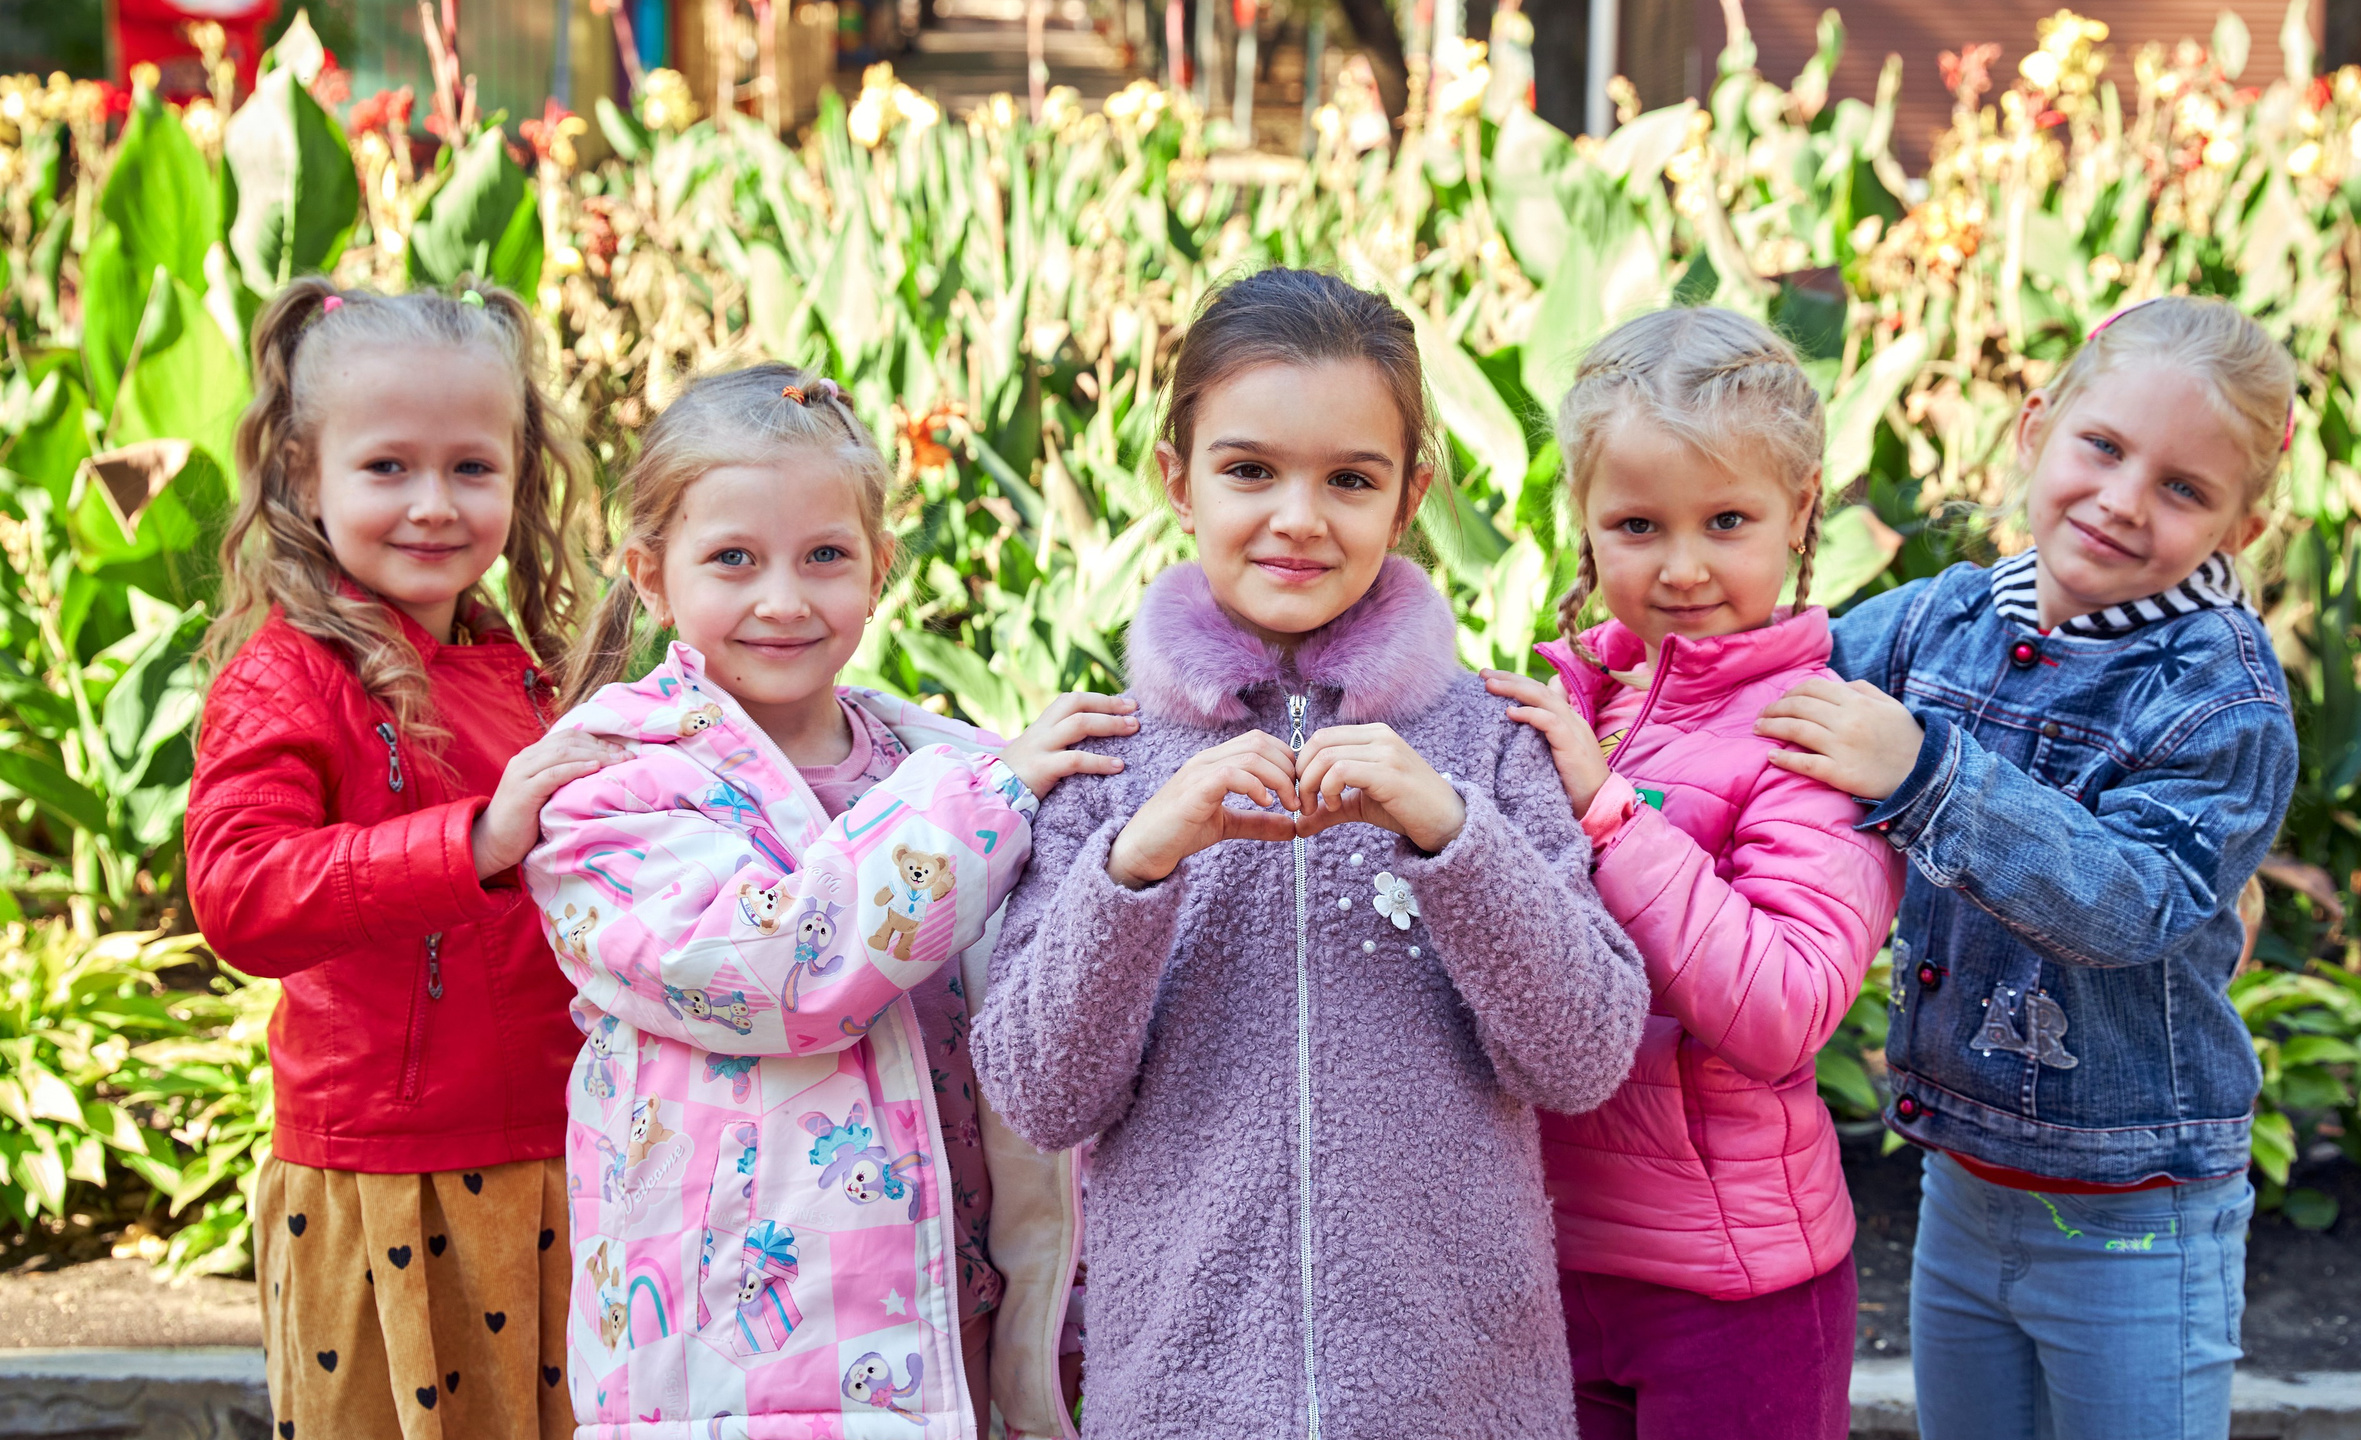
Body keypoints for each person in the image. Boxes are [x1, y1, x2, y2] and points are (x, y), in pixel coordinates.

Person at [969, 268, 1651, 1438]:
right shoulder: (1105, 760)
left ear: (1409, 494)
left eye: (1349, 478)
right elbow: (1040, 1091)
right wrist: (1138, 867)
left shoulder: (1489, 744)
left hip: (1455, 1400)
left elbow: (1583, 1056)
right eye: (1249, 470)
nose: (1299, 516)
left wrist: (1452, 838)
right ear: (1175, 480)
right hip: (1188, 1401)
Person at [525, 364, 1121, 1438]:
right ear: (650, 576)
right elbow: (780, 974)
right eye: (734, 561)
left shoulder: (936, 759)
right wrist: (998, 795)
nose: (784, 598)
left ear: (880, 569)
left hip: (945, 1301)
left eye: (826, 557)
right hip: (746, 1358)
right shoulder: (610, 791)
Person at [1756, 295, 2299, 1439]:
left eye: (2183, 489)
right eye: (2101, 447)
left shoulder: (2218, 697)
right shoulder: (1936, 623)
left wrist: (1924, 776)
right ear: (2034, 427)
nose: (2121, 501)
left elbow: (2131, 901)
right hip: (1965, 1181)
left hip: (2138, 1211)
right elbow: (1767, 692)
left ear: (2238, 529)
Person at [189, 276, 607, 1440]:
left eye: (472, 467)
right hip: (391, 1182)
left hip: (559, 1156)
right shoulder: (286, 677)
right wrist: (470, 841)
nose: (434, 504)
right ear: (301, 479)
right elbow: (238, 894)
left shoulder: (517, 669)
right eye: (388, 468)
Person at [1483, 306, 1902, 1440]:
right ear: (1582, 521)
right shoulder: (1568, 711)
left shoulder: (1814, 734)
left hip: (1734, 1294)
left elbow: (1781, 1012)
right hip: (1555, 1262)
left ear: (1799, 510)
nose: (1680, 567)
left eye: (1726, 520)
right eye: (1634, 523)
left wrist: (1609, 818)